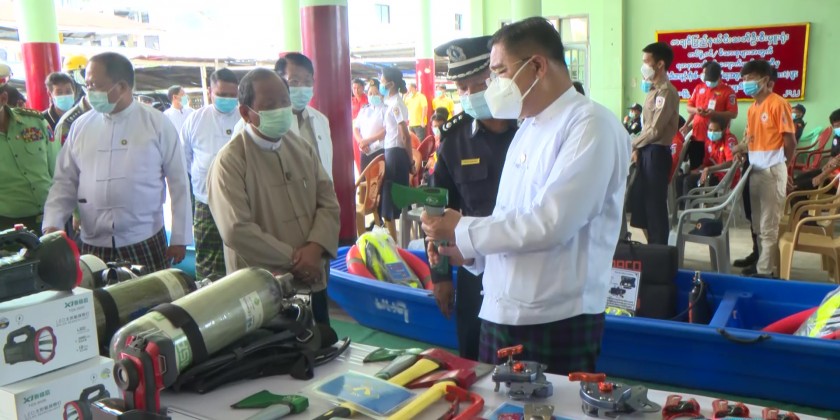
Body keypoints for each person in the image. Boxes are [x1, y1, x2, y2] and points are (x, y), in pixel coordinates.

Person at [421, 17, 630, 374]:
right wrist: (468, 253)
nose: (492, 86)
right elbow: (509, 218)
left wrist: (463, 229)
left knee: (548, 403)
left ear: (537, 66)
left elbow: (550, 223)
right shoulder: (528, 126)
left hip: (554, 317)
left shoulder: (590, 125)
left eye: (500, 72)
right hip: (502, 309)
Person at [206, 68, 340, 325]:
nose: (281, 110)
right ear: (246, 113)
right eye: (270, 105)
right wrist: (296, 260)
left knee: (321, 340)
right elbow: (236, 229)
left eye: (284, 102)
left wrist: (315, 248)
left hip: (314, 278)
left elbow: (328, 202)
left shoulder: (301, 148)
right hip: (262, 292)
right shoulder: (230, 162)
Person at [42, 52, 192, 272]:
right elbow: (64, 181)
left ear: (121, 87)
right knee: (98, 295)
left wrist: (180, 237)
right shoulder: (81, 126)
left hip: (144, 237)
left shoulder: (156, 123)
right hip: (93, 242)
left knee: (152, 294)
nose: (88, 91)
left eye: (94, 85)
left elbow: (179, 182)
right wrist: (53, 224)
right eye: (87, 85)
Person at [426, 35, 518, 361]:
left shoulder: (529, 129)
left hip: (523, 265)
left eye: (477, 85)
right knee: (472, 355)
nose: (468, 95)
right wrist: (440, 277)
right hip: (472, 270)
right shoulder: (455, 139)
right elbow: (438, 210)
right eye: (461, 88)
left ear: (497, 79)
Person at [730, 60, 797, 277]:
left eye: (750, 79)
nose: (745, 83)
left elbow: (790, 141)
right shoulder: (752, 109)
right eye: (744, 79)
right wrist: (740, 149)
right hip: (755, 171)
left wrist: (783, 166)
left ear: (765, 80)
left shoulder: (778, 104)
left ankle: (765, 272)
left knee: (769, 226)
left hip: (772, 171)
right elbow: (752, 140)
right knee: (757, 225)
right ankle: (760, 263)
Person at [180, 69, 240, 281]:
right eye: (222, 94)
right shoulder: (195, 119)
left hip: (239, 203)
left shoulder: (245, 117)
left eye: (233, 95)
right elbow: (185, 157)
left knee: (239, 256)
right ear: (210, 92)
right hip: (205, 201)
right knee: (208, 259)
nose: (228, 99)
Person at [628, 42, 679, 245]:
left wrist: (632, 143)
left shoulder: (666, 92)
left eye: (646, 61)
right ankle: (652, 248)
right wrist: (637, 147)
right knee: (642, 205)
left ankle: (659, 250)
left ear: (660, 64)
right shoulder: (652, 89)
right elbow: (646, 126)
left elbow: (655, 130)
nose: (643, 66)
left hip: (657, 153)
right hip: (647, 150)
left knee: (655, 207)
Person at [0, 83, 61, 230]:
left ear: (3, 99)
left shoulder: (35, 122)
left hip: (53, 217)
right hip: (8, 225)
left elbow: (60, 170)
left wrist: (76, 212)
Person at [285, 52, 334, 179]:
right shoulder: (260, 122)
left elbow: (327, 168)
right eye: (294, 81)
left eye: (307, 82)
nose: (302, 88)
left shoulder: (321, 120)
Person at [379, 67, 415, 239]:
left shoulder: (396, 104)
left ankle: (401, 241)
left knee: (397, 198)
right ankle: (395, 238)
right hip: (392, 151)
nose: (381, 84)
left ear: (391, 84)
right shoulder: (391, 102)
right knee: (392, 199)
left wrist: (411, 161)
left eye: (382, 81)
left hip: (396, 153)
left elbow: (404, 135)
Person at [686, 61, 738, 169]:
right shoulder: (699, 87)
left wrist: (715, 114)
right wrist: (696, 110)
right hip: (697, 137)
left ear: (719, 76)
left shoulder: (728, 91)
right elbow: (689, 107)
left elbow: (733, 114)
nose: (708, 82)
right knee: (695, 169)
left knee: (714, 169)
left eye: (711, 80)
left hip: (716, 138)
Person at [675, 115, 738, 199]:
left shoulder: (729, 140)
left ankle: (692, 207)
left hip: (724, 177)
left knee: (689, 181)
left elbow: (731, 162)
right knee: (680, 179)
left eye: (715, 130)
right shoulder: (709, 142)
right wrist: (697, 170)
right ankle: (682, 206)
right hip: (711, 174)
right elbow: (706, 163)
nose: (712, 133)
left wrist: (709, 169)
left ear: (723, 130)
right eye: (710, 130)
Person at [793, 109, 840, 191]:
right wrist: (827, 166)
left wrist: (822, 175)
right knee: (798, 179)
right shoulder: (837, 137)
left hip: (836, 177)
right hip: (831, 171)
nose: (837, 129)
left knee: (800, 187)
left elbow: (838, 161)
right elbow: (833, 155)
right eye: (835, 127)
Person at [354, 83, 386, 171]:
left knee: (379, 177)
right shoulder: (364, 109)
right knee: (364, 176)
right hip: (364, 150)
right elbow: (356, 128)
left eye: (376, 93)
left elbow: (385, 131)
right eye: (370, 93)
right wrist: (361, 142)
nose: (373, 96)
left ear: (381, 94)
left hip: (379, 150)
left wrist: (367, 141)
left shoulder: (385, 109)